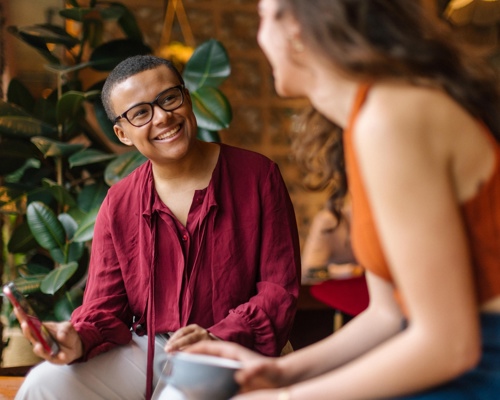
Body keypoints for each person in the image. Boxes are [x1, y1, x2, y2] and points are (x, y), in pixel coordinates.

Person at [188, 0, 500, 398]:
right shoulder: (365, 121)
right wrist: (282, 372)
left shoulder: (390, 117)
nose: (259, 36)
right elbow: (387, 314)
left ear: (297, 27)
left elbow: (449, 346)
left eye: (263, 18)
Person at [14, 55, 300, 400]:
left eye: (168, 99)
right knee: (43, 383)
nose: (163, 117)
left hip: (233, 350)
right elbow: (104, 308)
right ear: (122, 133)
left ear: (187, 98)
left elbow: (278, 291)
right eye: (140, 113)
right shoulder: (118, 201)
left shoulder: (258, 175)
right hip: (150, 348)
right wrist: (77, 338)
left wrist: (219, 337)